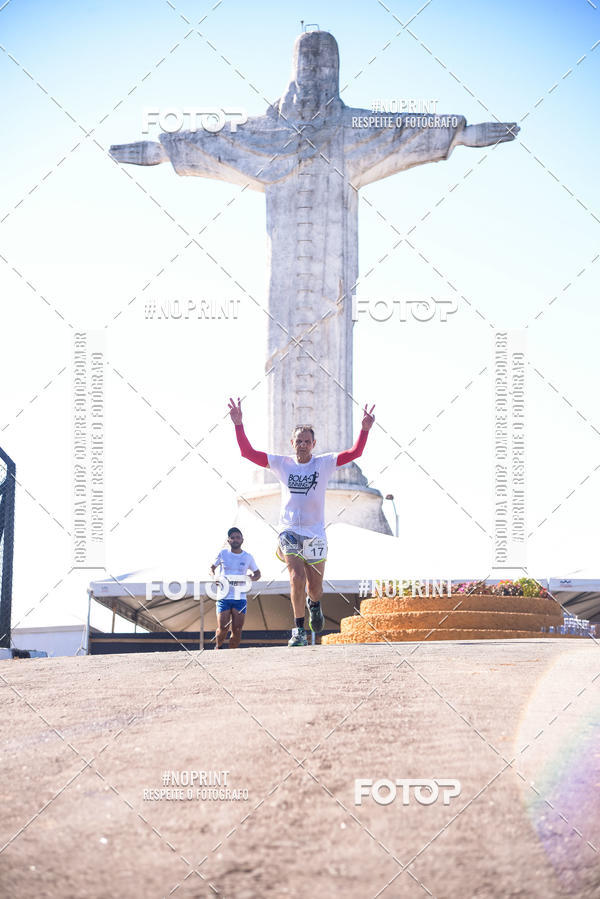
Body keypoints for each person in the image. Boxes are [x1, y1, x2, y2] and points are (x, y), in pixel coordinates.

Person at [228, 398, 375, 646]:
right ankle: (299, 631)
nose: (303, 445)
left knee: (315, 587)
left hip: (315, 533)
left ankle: (314, 604)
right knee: (296, 576)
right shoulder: (281, 463)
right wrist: (239, 424)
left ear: (314, 444)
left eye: (307, 441)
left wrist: (364, 430)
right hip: (289, 531)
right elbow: (247, 453)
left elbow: (355, 453)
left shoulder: (324, 463)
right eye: (299, 441)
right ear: (292, 443)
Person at [210, 527, 261, 649]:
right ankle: (218, 647)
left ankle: (232, 655)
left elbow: (258, 574)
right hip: (224, 596)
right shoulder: (223, 553)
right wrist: (215, 578)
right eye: (232, 537)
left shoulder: (247, 556)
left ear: (242, 539)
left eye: (237, 537)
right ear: (228, 540)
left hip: (240, 597)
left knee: (237, 629)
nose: (235, 539)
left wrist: (251, 578)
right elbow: (211, 568)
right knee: (223, 628)